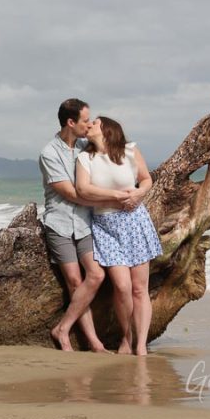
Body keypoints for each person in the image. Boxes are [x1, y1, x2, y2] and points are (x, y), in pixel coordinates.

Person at [75, 116, 162, 356]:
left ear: (107, 129)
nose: (89, 124)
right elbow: (83, 189)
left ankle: (140, 345)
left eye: (94, 122)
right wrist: (116, 196)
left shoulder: (130, 150)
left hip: (135, 222)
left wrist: (138, 195)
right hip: (105, 225)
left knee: (139, 288)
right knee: (122, 286)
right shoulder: (85, 158)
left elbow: (146, 179)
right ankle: (127, 336)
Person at [39, 98, 121, 352]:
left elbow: (112, 158)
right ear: (70, 122)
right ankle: (91, 342)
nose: (89, 124)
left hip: (85, 223)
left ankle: (62, 327)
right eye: (85, 120)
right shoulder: (49, 153)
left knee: (96, 275)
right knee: (75, 280)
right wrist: (116, 197)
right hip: (60, 224)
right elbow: (72, 194)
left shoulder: (86, 147)